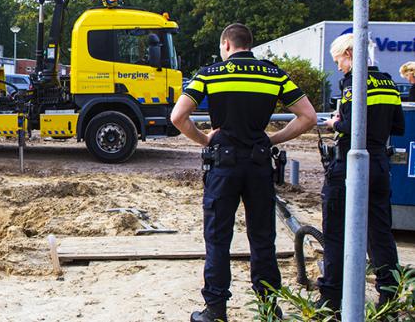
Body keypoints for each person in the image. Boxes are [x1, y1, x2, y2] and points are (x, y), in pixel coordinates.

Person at [170, 23, 316, 322]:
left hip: (223, 165)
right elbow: (309, 116)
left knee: (218, 237)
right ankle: (267, 308)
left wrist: (205, 138)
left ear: (226, 45)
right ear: (250, 44)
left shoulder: (210, 73)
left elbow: (178, 116)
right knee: (263, 238)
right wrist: (271, 138)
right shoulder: (273, 73)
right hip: (259, 164)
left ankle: (215, 310)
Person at [317, 33, 404, 312]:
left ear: (350, 54)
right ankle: (388, 296)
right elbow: (399, 126)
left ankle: (331, 300)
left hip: (348, 167)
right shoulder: (389, 82)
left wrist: (334, 123)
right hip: (379, 164)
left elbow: (354, 126)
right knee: (379, 233)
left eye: (339, 60)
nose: (339, 67)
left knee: (335, 232)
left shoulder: (353, 83)